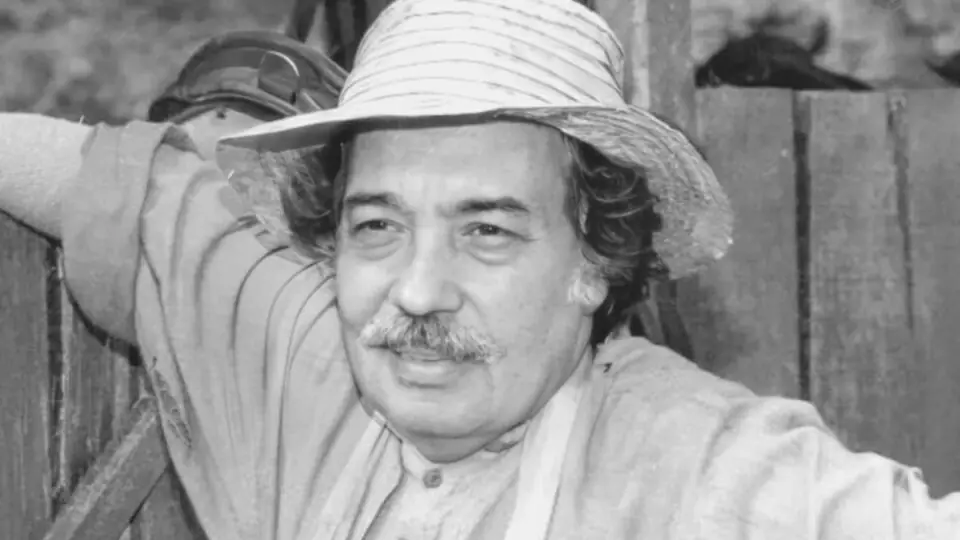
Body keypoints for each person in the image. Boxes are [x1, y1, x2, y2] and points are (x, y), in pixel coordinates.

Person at [1, 0, 958, 538]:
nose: (417, 291)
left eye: (487, 230)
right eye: (378, 225)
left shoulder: (698, 467)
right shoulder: (299, 353)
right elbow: (114, 187)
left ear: (596, 258)